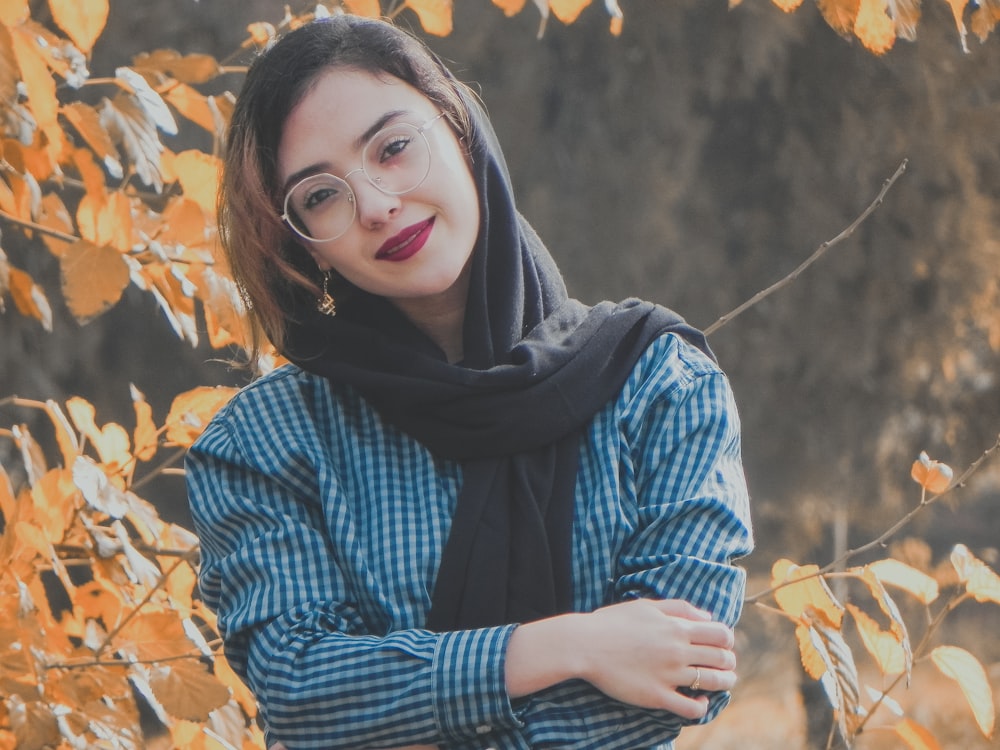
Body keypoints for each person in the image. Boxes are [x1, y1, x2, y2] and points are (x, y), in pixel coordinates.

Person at [185, 13, 754, 750]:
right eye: (321, 196)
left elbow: (684, 679)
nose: (377, 206)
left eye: (392, 149)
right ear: (304, 245)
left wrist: (404, 709)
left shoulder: (657, 384)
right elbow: (302, 693)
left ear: (460, 129)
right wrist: (569, 646)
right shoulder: (266, 443)